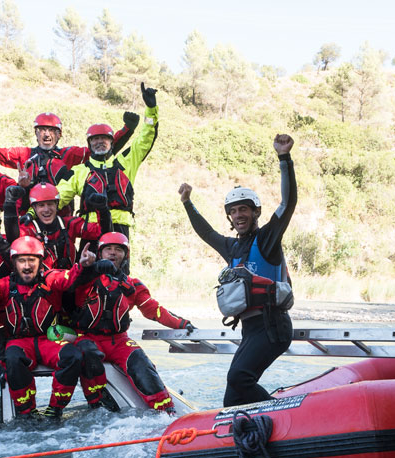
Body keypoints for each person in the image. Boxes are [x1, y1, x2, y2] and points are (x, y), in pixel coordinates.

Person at [179, 134, 297, 407]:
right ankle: (242, 437)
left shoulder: (268, 239)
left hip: (273, 326)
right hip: (251, 328)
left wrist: (284, 158)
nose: (238, 215)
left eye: (244, 209)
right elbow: (206, 232)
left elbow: (287, 204)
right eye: (233, 211)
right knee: (233, 396)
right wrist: (187, 202)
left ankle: (279, 415)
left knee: (240, 378)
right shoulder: (232, 248)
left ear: (255, 212)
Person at [0, 236, 96, 421]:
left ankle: (55, 409)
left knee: (73, 356)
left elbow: (67, 279)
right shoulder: (3, 285)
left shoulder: (50, 278)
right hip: (19, 342)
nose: (27, 266)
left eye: (32, 260)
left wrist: (82, 265)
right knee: (11, 359)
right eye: (22, 260)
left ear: (40, 261)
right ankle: (27, 412)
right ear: (14, 263)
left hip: (47, 340)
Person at [71, 232, 193, 413]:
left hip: (119, 341)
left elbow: (155, 310)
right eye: (108, 249)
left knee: (141, 363)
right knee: (88, 355)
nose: (113, 253)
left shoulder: (132, 285)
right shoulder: (86, 278)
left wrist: (183, 324)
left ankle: (166, 413)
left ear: (125, 255)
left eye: (118, 249)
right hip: (88, 338)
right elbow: (67, 287)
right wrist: (89, 269)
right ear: (100, 253)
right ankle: (96, 407)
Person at [0, 109, 137, 218]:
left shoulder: (70, 154)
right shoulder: (23, 154)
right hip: (30, 214)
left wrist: (127, 130)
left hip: (62, 216)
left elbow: (101, 148)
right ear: (36, 133)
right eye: (42, 130)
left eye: (51, 130)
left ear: (59, 134)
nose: (46, 134)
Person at [57, 83, 160, 240]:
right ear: (89, 144)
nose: (100, 142)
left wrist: (151, 110)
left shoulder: (126, 163)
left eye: (104, 139)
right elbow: (58, 196)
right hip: (92, 230)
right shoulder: (80, 171)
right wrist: (32, 214)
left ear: (112, 142)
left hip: (120, 231)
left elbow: (146, 138)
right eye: (95, 139)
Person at [4, 183, 107, 270]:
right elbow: (14, 238)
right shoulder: (31, 229)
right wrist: (10, 205)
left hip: (70, 281)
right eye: (41, 205)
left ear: (57, 205)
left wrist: (103, 211)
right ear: (34, 208)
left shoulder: (69, 224)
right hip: (43, 285)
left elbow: (101, 233)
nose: (46, 209)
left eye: (50, 204)